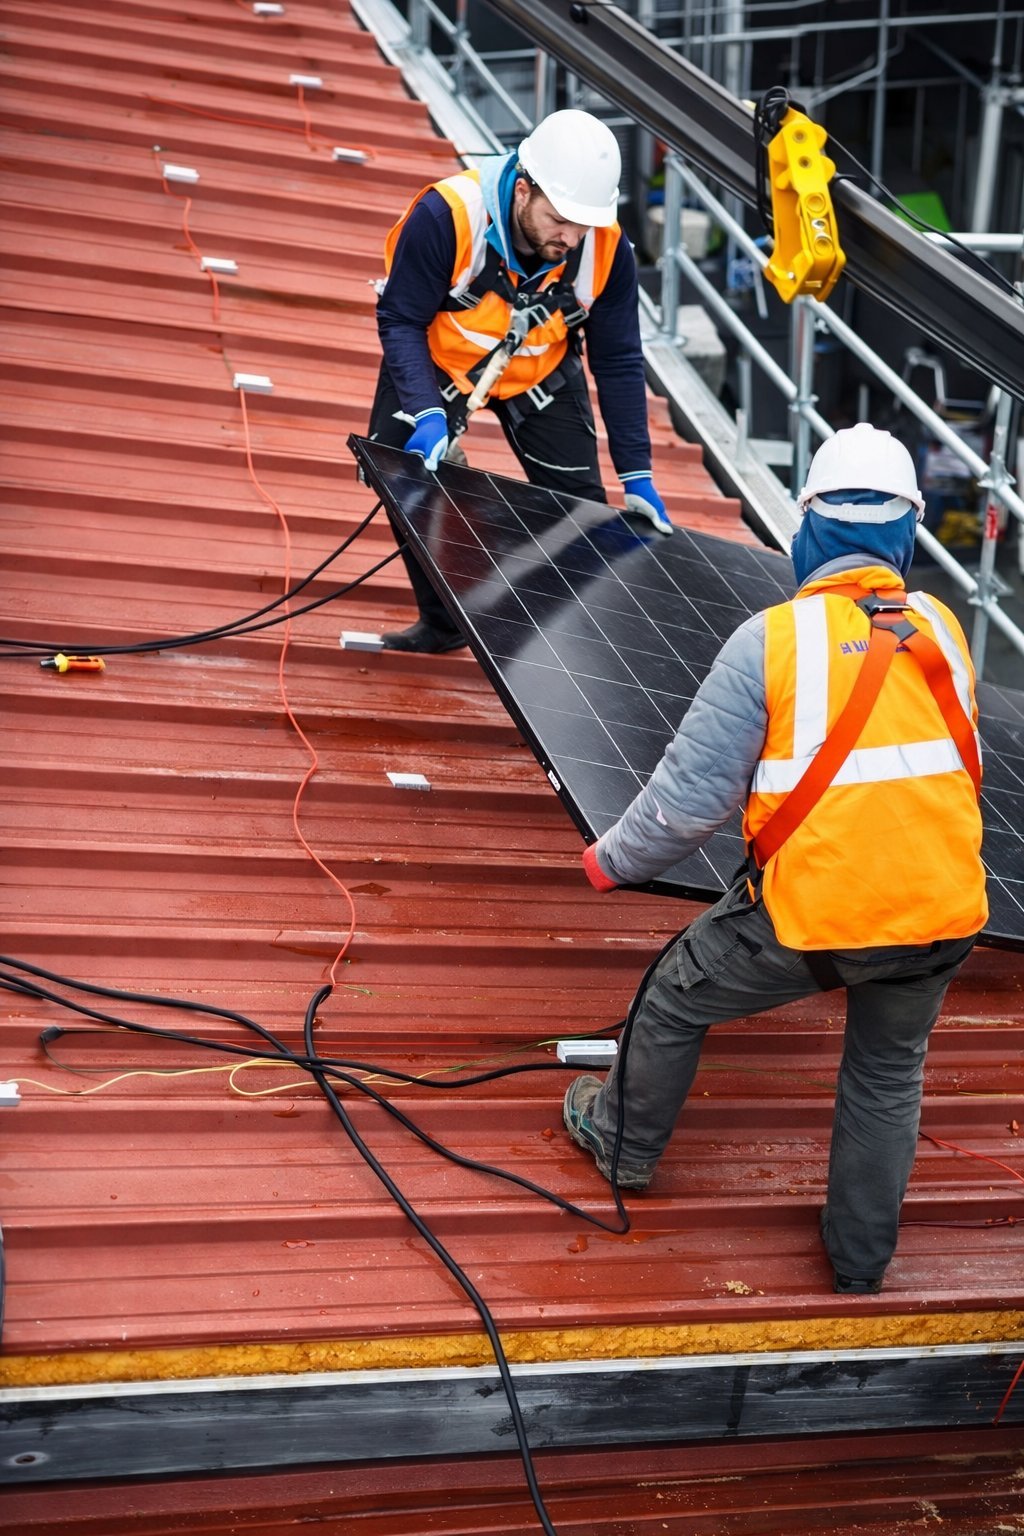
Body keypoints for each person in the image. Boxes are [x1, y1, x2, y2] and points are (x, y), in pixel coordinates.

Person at [564, 423, 988, 1294]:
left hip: (820, 917)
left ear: (808, 531)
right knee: (886, 1075)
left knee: (675, 997)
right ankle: (861, 1265)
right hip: (942, 910)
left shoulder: (773, 639)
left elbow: (685, 808)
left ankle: (620, 1146)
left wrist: (608, 861)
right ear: (905, 531)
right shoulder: (944, 628)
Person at [368, 109, 670, 653]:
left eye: (584, 224)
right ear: (523, 190)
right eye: (559, 220)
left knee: (583, 515)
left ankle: (573, 654)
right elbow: (400, 319)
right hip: (446, 362)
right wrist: (426, 411)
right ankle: (445, 624)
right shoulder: (448, 216)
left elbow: (620, 359)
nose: (572, 237)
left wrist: (638, 472)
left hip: (541, 372)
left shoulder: (604, 247)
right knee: (399, 468)